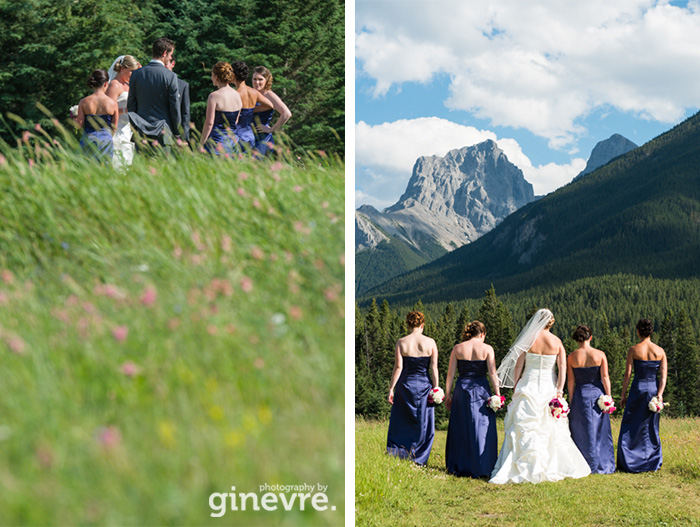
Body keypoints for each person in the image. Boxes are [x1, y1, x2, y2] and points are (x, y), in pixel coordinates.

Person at [489, 309, 591, 484]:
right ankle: (549, 465)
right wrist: (559, 390)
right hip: (548, 388)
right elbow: (562, 369)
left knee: (523, 427)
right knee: (550, 428)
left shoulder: (528, 341)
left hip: (527, 386)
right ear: (551, 323)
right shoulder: (557, 342)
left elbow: (518, 366)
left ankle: (521, 465)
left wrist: (515, 388)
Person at [444, 321, 500, 478]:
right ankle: (482, 466)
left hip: (462, 390)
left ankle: (460, 465)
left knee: (461, 426)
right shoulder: (487, 349)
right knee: (481, 427)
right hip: (481, 390)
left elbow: (450, 374)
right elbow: (493, 374)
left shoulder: (458, 348)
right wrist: (497, 394)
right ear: (482, 334)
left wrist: (448, 395)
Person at [386, 311, 439, 466]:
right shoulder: (430, 342)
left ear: (408, 325)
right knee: (423, 421)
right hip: (424, 385)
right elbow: (434, 368)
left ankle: (400, 452)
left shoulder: (401, 342)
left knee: (403, 420)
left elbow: (398, 368)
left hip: (405, 385)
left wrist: (391, 388)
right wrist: (436, 388)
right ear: (422, 325)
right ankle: (419, 456)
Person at [617, 318, 667, 473]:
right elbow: (664, 375)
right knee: (651, 426)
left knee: (631, 424)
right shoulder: (660, 351)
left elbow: (628, 374)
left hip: (638, 389)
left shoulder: (633, 349)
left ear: (638, 331)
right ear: (651, 332)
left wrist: (623, 395)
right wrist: (659, 394)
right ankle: (651, 460)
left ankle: (630, 460)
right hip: (652, 389)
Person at [567, 325, 615, 474]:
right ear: (590, 337)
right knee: (599, 430)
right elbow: (605, 377)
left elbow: (571, 381)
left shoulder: (571, 357)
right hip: (597, 396)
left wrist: (571, 399)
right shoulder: (599, 354)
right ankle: (601, 463)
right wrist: (609, 396)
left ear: (577, 339)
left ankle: (583, 463)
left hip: (580, 395)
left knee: (581, 430)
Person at [126, 37, 181, 150]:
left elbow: (131, 105)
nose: (170, 57)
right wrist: (177, 132)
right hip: (163, 131)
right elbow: (174, 107)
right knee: (162, 167)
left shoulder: (136, 74)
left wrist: (135, 126)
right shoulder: (170, 76)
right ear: (165, 53)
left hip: (141, 130)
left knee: (142, 166)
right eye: (170, 55)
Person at [75, 69, 118, 162]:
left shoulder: (84, 102)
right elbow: (114, 127)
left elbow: (78, 125)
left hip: (88, 138)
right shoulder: (113, 104)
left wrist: (74, 118)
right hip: (105, 140)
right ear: (106, 84)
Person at [200, 62, 242, 155]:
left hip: (216, 143)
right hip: (232, 143)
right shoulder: (237, 95)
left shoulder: (214, 96)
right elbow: (236, 121)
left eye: (212, 75)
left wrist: (201, 143)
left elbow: (209, 123)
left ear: (216, 77)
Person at [106, 55, 140, 168]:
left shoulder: (127, 85)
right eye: (131, 71)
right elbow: (108, 110)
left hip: (128, 131)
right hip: (117, 130)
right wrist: (127, 110)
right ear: (122, 69)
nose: (133, 75)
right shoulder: (114, 85)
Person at [231, 61, 273, 152]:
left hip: (238, 136)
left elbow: (235, 120)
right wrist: (251, 110)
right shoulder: (254, 92)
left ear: (233, 76)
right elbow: (270, 105)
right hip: (250, 136)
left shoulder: (235, 94)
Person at [251, 66, 292, 155]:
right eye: (254, 79)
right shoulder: (252, 94)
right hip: (250, 138)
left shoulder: (269, 95)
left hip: (263, 139)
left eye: (260, 79)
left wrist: (272, 129)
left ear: (267, 80)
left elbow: (286, 114)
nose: (256, 82)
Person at [164, 55, 191, 142]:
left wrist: (184, 137)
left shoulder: (183, 85)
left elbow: (185, 113)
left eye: (166, 64)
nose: (163, 67)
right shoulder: (156, 84)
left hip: (177, 134)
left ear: (173, 64)